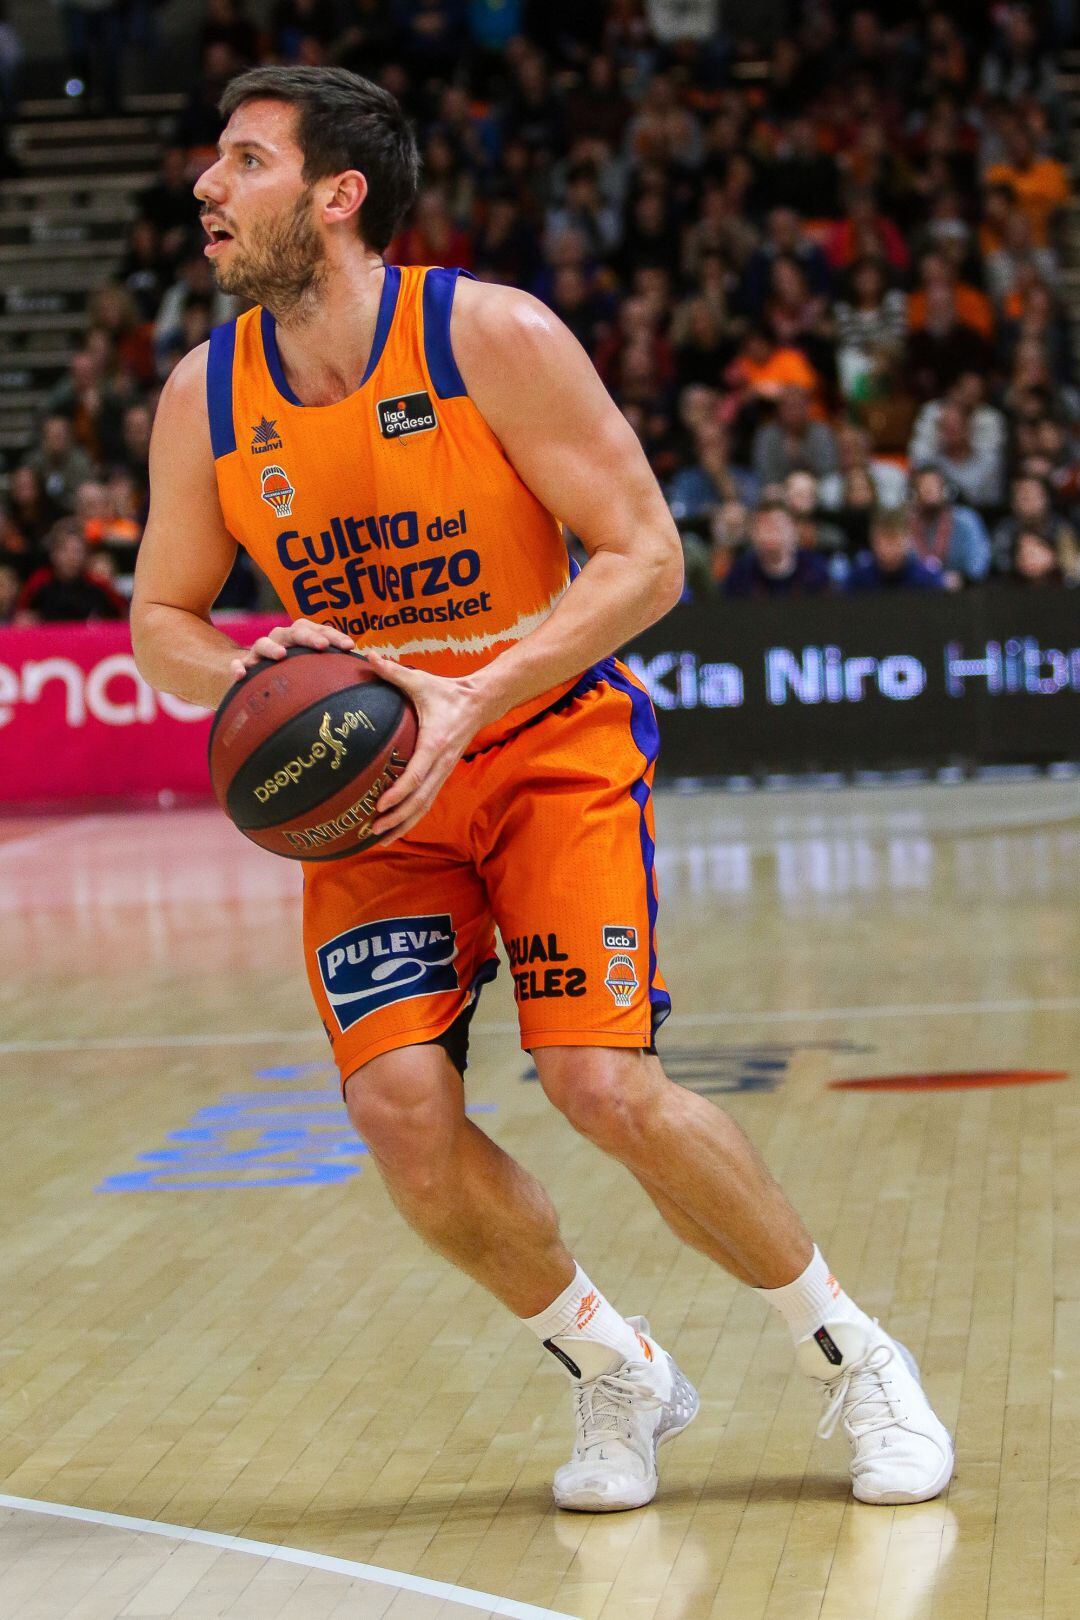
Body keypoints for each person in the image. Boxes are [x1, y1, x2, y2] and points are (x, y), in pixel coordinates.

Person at [131, 65, 953, 1514]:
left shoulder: (490, 334)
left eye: (244, 161)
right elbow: (162, 623)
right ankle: (612, 1367)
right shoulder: (206, 394)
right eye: (216, 163)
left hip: (544, 746)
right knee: (397, 1111)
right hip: (377, 792)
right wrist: (250, 661)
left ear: (339, 194)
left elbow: (646, 557)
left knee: (598, 1083)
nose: (207, 186)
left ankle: (852, 1356)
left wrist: (469, 695)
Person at [723, 499, 832, 598]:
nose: (771, 534)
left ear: (793, 531)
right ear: (753, 535)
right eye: (764, 527)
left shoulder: (816, 569)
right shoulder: (740, 573)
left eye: (778, 526)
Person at [847, 508, 945, 591]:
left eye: (894, 540)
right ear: (873, 540)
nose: (888, 548)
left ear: (906, 539)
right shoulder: (858, 579)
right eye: (884, 540)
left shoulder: (926, 578)